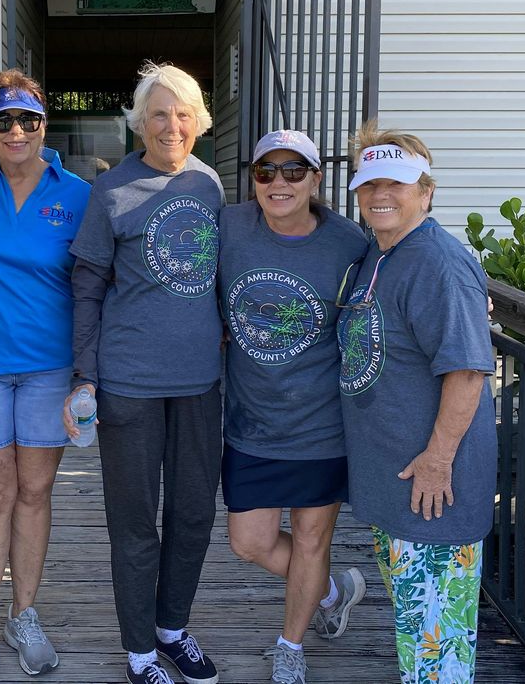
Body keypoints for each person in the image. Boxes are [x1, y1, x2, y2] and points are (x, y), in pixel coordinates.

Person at [63, 62, 224, 684]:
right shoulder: (111, 191)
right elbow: (87, 287)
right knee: (134, 523)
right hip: (128, 385)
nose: (171, 126)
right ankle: (139, 652)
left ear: (198, 122)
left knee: (193, 514)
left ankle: (172, 629)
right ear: (139, 123)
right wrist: (85, 375)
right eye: (159, 114)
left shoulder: (209, 183)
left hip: (199, 384)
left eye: (183, 114)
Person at [336, 120, 497, 684]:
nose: (380, 195)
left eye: (396, 184)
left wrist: (437, 459)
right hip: (398, 483)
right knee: (416, 629)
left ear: (426, 192)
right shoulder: (379, 253)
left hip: (433, 488)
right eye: (369, 184)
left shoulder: (439, 263)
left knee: (436, 648)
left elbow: (468, 371)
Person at [0, 70, 90, 684]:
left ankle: (23, 615)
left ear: (44, 123)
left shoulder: (79, 194)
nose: (16, 131)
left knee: (34, 493)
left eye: (28, 119)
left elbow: (99, 283)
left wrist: (89, 373)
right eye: (2, 119)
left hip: (48, 370)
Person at [216, 130, 369, 684]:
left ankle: (291, 646)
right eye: (266, 171)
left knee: (311, 539)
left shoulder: (349, 243)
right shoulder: (230, 227)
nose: (278, 182)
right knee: (248, 542)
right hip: (251, 423)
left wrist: (471, 295)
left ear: (315, 179)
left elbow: (401, 276)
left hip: (321, 424)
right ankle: (331, 590)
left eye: (294, 171)